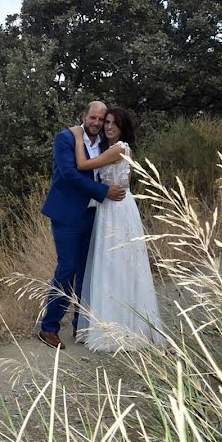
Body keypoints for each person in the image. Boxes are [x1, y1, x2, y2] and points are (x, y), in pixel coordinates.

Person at [70, 107, 165, 351]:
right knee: (116, 264)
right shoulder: (119, 149)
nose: (109, 126)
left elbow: (82, 164)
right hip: (116, 207)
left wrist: (79, 137)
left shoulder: (118, 149)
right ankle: (120, 323)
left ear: (122, 128)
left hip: (116, 210)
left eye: (114, 123)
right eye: (107, 122)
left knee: (116, 263)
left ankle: (120, 327)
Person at [39, 101, 127, 349]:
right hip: (67, 214)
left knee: (87, 272)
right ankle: (49, 327)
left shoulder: (104, 143)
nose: (97, 123)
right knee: (67, 269)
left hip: (93, 215)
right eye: (93, 118)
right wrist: (103, 191)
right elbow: (69, 174)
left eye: (101, 119)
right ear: (84, 116)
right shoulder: (65, 138)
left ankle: (81, 325)